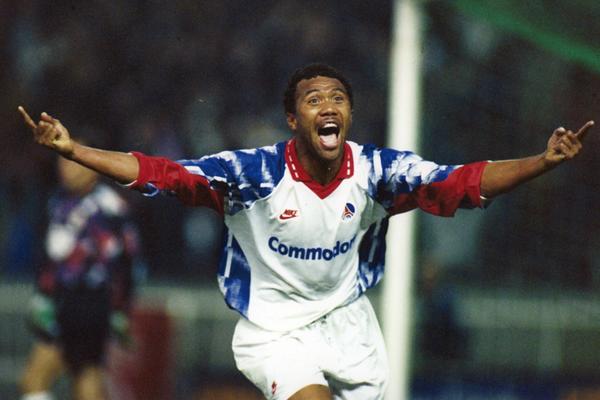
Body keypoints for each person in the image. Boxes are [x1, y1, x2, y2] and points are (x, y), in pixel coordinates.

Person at [19, 63, 593, 400]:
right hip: (273, 330)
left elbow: (460, 183)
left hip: (350, 326)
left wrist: (541, 161)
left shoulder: (377, 173)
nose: (329, 105)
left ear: (349, 115)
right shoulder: (251, 175)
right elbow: (162, 173)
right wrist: (76, 150)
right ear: (294, 119)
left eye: (338, 98)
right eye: (314, 99)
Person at [19, 152, 141, 400]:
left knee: (37, 378)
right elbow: (51, 257)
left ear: (93, 166)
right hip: (63, 299)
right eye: (62, 162)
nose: (66, 169)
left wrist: (121, 309)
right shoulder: (57, 200)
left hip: (88, 302)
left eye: (73, 162)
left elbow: (129, 261)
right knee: (83, 380)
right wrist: (43, 295)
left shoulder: (110, 206)